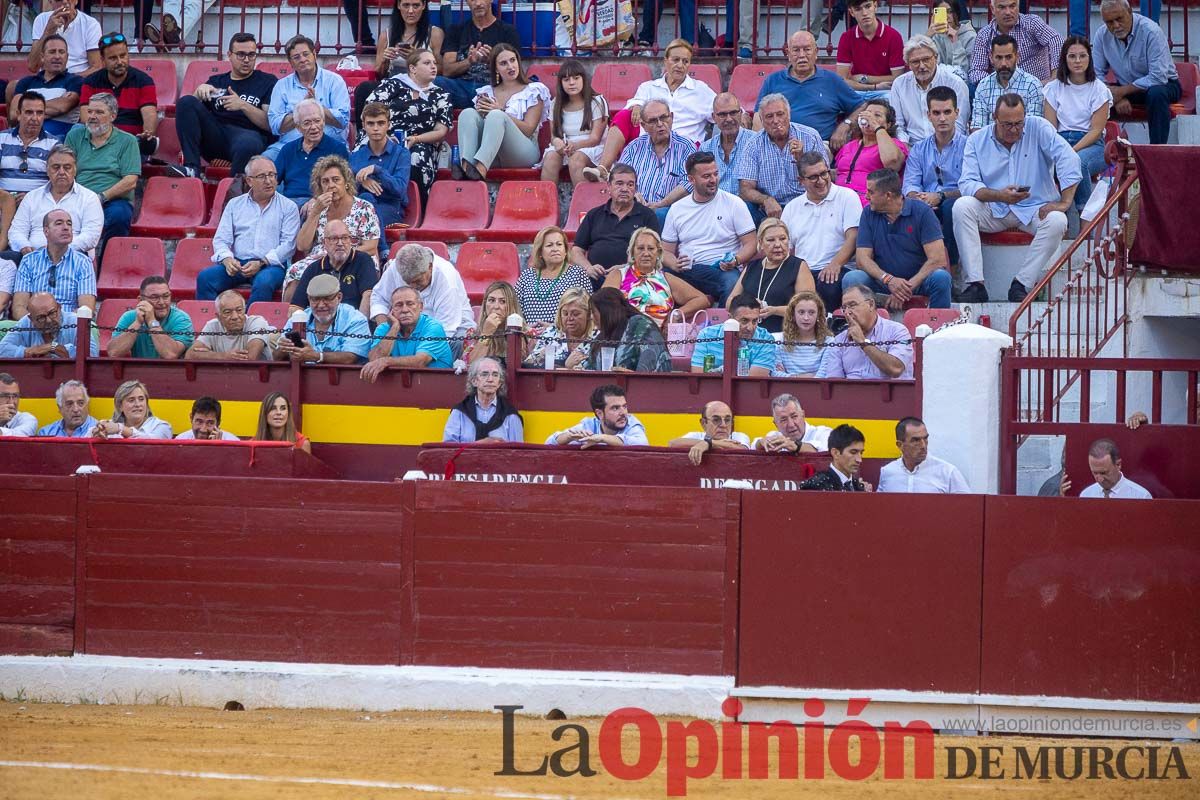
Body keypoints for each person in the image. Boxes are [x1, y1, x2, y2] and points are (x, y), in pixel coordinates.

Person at [955, 94, 1082, 303]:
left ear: (1025, 117)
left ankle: (1022, 283)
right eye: (1007, 124)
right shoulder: (976, 140)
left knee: (1058, 220)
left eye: (1018, 123)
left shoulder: (1038, 127)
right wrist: (999, 195)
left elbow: (1069, 159)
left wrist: (1065, 202)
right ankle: (975, 283)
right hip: (994, 208)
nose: (1014, 130)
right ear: (994, 117)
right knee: (961, 206)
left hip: (1035, 209)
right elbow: (967, 183)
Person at [584, 40, 715, 182]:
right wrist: (637, 106)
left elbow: (723, 109)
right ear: (665, 61)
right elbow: (635, 102)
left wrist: (743, 116)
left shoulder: (701, 90)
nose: (680, 65)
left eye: (685, 61)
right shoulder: (649, 87)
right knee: (623, 115)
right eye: (675, 60)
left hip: (684, 146)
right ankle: (603, 168)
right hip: (650, 140)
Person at [195, 155, 301, 305]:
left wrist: (262, 262)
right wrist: (227, 259)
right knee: (205, 278)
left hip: (270, 265)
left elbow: (288, 245)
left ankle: (250, 325)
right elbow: (221, 239)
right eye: (262, 176)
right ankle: (215, 325)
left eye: (272, 175)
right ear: (249, 180)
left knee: (264, 282)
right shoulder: (234, 204)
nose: (269, 180)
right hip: (238, 263)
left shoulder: (288, 207)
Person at [170, 33, 277, 179]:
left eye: (251, 55)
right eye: (241, 54)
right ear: (229, 55)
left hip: (248, 135)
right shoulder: (216, 81)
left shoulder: (267, 81)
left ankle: (234, 190)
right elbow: (190, 117)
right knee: (185, 102)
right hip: (216, 135)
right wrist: (197, 93)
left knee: (249, 143)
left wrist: (243, 105)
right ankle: (192, 168)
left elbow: (270, 124)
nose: (246, 60)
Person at [844, 168, 952, 309]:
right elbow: (862, 260)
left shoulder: (922, 212)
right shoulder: (868, 213)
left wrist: (905, 289)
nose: (866, 197)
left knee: (941, 278)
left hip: (918, 282)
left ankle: (939, 327)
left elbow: (938, 259)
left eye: (871, 192)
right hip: (881, 282)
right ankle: (859, 328)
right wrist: (889, 280)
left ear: (888, 195)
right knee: (852, 278)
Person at [282, 154, 380, 303]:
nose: (331, 185)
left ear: (346, 183)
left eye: (336, 180)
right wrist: (315, 213)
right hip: (321, 259)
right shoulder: (317, 208)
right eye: (325, 181)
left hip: (356, 257)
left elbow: (371, 247)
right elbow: (302, 245)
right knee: (295, 271)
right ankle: (292, 320)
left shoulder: (364, 208)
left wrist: (338, 254)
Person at [663, 151, 757, 305]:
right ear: (691, 179)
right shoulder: (677, 209)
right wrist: (674, 263)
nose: (713, 180)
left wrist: (736, 260)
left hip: (721, 268)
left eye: (715, 174)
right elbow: (665, 251)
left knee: (732, 281)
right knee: (659, 278)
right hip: (687, 269)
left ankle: (725, 325)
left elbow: (751, 243)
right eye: (706, 176)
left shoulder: (734, 203)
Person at [362, 48, 451, 202]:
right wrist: (386, 136)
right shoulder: (395, 84)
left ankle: (414, 207)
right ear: (412, 68)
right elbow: (370, 109)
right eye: (427, 63)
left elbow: (441, 130)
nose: (433, 67)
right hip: (383, 136)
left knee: (416, 156)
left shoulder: (441, 94)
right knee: (368, 149)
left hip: (421, 142)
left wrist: (416, 139)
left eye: (434, 63)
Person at [782, 152, 862, 313]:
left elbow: (853, 237)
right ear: (801, 181)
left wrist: (835, 264)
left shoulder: (847, 197)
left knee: (828, 285)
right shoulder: (792, 207)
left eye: (824, 174)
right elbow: (786, 247)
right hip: (804, 269)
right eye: (813, 177)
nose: (821, 181)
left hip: (838, 267)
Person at [1093, 0, 1180, 146]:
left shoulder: (1151, 31)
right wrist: (1116, 97)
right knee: (1095, 96)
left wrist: (1122, 91)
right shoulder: (1102, 35)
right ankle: (1103, 151)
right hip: (1125, 88)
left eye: (1119, 19)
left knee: (1156, 94)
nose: (1115, 26)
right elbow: (1096, 75)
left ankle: (1156, 152)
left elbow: (1158, 77)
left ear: (1130, 12)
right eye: (1109, 22)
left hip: (1164, 84)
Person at [1043, 37, 1113, 218]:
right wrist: (1063, 151)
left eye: (1082, 56)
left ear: (1089, 58)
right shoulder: (1053, 88)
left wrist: (1071, 152)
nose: (1078, 61)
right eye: (1072, 56)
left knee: (1077, 162)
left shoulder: (1099, 89)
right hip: (1061, 140)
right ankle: (1058, 220)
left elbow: (1096, 130)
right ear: (1064, 59)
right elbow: (1050, 128)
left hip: (1091, 145)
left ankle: (1086, 217)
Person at [456, 44, 549, 180]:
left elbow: (529, 130)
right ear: (496, 68)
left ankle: (480, 171)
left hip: (523, 152)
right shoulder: (486, 92)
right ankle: (466, 168)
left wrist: (501, 111)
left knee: (497, 115)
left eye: (513, 60)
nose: (510, 66)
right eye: (503, 63)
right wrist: (482, 113)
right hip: (492, 154)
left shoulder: (534, 90)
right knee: (467, 113)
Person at [903, 86, 968, 273]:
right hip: (926, 203)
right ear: (928, 115)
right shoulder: (919, 149)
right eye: (936, 113)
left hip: (955, 202)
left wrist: (940, 196)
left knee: (952, 208)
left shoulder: (969, 146)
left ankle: (952, 270)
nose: (942, 118)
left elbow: (971, 186)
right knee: (909, 208)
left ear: (956, 113)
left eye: (947, 112)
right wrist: (919, 197)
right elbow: (910, 184)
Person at [736, 93, 829, 223]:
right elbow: (745, 189)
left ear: (789, 115)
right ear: (761, 121)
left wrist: (802, 159)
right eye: (769, 116)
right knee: (744, 208)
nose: (775, 120)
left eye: (780, 114)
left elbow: (825, 180)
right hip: (770, 210)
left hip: (807, 203)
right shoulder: (753, 144)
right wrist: (766, 200)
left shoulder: (810, 136)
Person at [758, 31, 863, 143]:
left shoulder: (832, 80)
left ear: (816, 52)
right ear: (788, 54)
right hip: (781, 145)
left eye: (807, 49)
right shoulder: (773, 80)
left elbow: (861, 106)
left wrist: (845, 125)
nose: (802, 55)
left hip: (818, 146)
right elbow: (758, 115)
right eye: (796, 50)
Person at [571, 164, 663, 289]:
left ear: (635, 189)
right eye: (619, 184)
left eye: (630, 185)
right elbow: (576, 251)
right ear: (609, 186)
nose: (625, 189)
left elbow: (655, 253)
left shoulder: (647, 215)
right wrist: (589, 268)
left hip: (632, 278)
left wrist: (626, 267)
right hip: (594, 277)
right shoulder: (594, 214)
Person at [64, 93, 139, 245]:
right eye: (90, 111)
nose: (92, 116)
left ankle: (108, 262)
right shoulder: (75, 135)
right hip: (78, 197)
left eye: (99, 112)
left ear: (112, 116)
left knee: (120, 215)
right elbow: (65, 168)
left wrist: (101, 197)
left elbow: (130, 181)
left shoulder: (127, 140)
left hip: (112, 200)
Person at [7, 144, 103, 263]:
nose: (61, 172)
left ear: (75, 170)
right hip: (32, 259)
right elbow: (16, 231)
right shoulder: (32, 197)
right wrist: (24, 247)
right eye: (56, 167)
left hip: (72, 259)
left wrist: (56, 250)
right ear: (47, 170)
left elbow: (91, 236)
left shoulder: (89, 198)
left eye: (67, 167)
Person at [608, 99, 697, 224]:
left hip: (671, 213)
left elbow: (690, 182)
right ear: (643, 126)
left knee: (659, 215)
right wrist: (634, 194)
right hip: (634, 208)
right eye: (653, 121)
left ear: (671, 117)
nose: (660, 124)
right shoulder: (634, 147)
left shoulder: (686, 147)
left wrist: (662, 204)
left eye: (664, 118)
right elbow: (619, 177)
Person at [264, 36, 350, 161]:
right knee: (264, 162)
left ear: (314, 55)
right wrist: (301, 109)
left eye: (306, 54)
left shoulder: (334, 81)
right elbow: (276, 126)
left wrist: (316, 107)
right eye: (296, 57)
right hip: (289, 147)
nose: (303, 59)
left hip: (328, 146)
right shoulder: (281, 86)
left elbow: (343, 120)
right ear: (290, 62)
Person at [601, 226, 707, 327]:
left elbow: (701, 299)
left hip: (657, 340)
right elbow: (604, 303)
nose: (646, 253)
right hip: (625, 336)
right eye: (640, 248)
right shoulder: (618, 275)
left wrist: (676, 315)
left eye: (651, 248)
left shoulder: (666, 278)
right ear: (632, 252)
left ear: (658, 253)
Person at [726, 219, 814, 334]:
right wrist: (748, 305)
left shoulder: (798, 266)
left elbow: (808, 308)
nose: (778, 245)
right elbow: (730, 302)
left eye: (783, 239)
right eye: (771, 240)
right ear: (761, 243)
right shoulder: (752, 266)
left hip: (784, 334)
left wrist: (774, 310)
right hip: (751, 333)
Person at [78, 33, 157, 157]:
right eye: (113, 58)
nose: (120, 62)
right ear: (103, 61)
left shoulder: (144, 81)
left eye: (123, 56)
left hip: (130, 144)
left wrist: (147, 134)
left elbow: (150, 115)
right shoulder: (91, 82)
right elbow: (85, 117)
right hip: (99, 141)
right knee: (76, 131)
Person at [373, 243, 473, 341]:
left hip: (452, 332)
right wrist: (385, 331)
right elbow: (379, 299)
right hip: (403, 330)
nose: (413, 286)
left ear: (430, 267)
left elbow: (446, 330)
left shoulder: (446, 277)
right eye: (407, 282)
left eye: (417, 281)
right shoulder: (395, 267)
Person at [435, 0, 522, 110]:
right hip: (461, 88)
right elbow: (447, 71)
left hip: (493, 89)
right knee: (435, 82)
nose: (478, 3)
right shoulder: (456, 30)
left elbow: (515, 70)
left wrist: (491, 60)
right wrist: (470, 61)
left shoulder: (507, 31)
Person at [11, 210, 96, 320]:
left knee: (91, 329)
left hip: (70, 325)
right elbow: (19, 307)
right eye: (59, 223)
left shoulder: (83, 262)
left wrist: (57, 323)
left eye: (69, 223)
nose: (66, 227)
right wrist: (38, 324)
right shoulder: (29, 261)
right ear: (46, 231)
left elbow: (86, 308)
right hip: (34, 324)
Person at [817, 284, 914, 379]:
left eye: (852, 305)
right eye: (844, 308)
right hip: (851, 393)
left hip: (888, 393)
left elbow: (895, 369)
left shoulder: (897, 331)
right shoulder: (840, 340)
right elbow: (834, 384)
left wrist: (863, 342)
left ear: (871, 305)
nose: (847, 312)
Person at [363, 0, 445, 112]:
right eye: (406, 5)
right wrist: (385, 60)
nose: (411, 11)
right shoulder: (386, 35)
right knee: (365, 88)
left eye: (416, 6)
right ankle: (364, 128)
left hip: (421, 86)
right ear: (398, 6)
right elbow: (379, 73)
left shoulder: (434, 33)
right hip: (393, 84)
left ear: (423, 6)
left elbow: (442, 70)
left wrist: (416, 58)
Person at [0, 94, 60, 248]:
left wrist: (31, 197)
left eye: (39, 113)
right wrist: (6, 198)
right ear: (18, 115)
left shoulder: (54, 144)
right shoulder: (2, 139)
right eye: (29, 112)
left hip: (37, 206)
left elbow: (57, 183)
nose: (35, 118)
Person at [274, 273, 372, 365]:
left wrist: (316, 356)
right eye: (315, 299)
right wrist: (284, 349)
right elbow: (276, 358)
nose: (321, 305)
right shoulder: (297, 319)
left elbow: (350, 357)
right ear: (308, 299)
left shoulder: (355, 319)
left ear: (339, 297)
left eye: (327, 298)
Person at [360, 286, 454, 381]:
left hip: (435, 385)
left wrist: (386, 361)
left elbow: (420, 361)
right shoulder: (384, 328)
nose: (405, 310)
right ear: (392, 309)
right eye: (399, 305)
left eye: (410, 304)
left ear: (421, 306)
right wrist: (394, 328)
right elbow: (375, 359)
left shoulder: (433, 326)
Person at [290, 220, 379, 317]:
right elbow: (296, 307)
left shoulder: (363, 261)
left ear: (350, 241)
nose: (340, 243)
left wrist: (360, 325)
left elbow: (368, 296)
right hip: (321, 326)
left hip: (353, 325)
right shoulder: (314, 269)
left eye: (345, 238)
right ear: (325, 243)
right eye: (334, 238)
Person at [891, 36, 970, 144]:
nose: (922, 66)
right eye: (915, 62)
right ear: (908, 64)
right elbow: (898, 125)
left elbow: (959, 125)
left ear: (936, 58)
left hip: (949, 146)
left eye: (926, 59)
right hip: (912, 147)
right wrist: (905, 146)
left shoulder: (955, 83)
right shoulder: (899, 84)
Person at [541, 59, 609, 184]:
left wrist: (575, 146)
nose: (571, 83)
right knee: (550, 158)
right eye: (566, 80)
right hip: (566, 146)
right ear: (561, 83)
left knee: (576, 160)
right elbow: (554, 135)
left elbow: (595, 138)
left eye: (576, 78)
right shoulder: (556, 103)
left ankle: (584, 203)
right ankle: (545, 202)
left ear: (583, 79)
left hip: (591, 147)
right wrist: (558, 143)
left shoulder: (597, 102)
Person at [273, 100, 352, 207]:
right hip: (290, 204)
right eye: (307, 123)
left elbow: (345, 185)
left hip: (323, 202)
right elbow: (273, 180)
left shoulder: (337, 149)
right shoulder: (288, 149)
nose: (314, 127)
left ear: (323, 122)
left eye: (317, 121)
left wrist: (316, 200)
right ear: (298, 127)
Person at [969, 0, 1064, 84]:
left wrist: (1055, 74)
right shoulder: (984, 35)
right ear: (992, 9)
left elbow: (1056, 40)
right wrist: (1000, 83)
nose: (1008, 12)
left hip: (1039, 87)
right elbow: (976, 72)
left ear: (1018, 6)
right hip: (1001, 93)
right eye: (1002, 7)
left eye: (1012, 6)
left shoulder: (1032, 23)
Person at [835, 99, 909, 207]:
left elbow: (892, 163)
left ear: (888, 124)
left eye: (877, 115)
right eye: (868, 114)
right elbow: (839, 172)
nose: (870, 118)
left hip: (869, 203)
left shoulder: (895, 144)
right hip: (839, 201)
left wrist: (877, 127)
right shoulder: (849, 146)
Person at [350, 102, 411, 228]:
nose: (376, 128)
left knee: (367, 211)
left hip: (391, 208)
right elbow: (347, 191)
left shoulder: (401, 154)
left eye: (381, 123)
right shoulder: (355, 156)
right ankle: (382, 248)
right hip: (361, 207)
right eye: (371, 123)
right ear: (364, 126)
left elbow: (400, 190)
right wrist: (361, 183)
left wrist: (377, 170)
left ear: (388, 125)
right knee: (365, 198)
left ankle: (378, 247)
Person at [515, 226, 592, 325]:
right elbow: (515, 308)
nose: (555, 249)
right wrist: (526, 329)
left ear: (565, 251)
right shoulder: (527, 275)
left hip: (563, 336)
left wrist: (554, 328)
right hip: (530, 336)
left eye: (559, 244)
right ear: (540, 252)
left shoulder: (578, 274)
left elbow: (588, 312)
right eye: (549, 245)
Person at [971, 35, 1046, 131]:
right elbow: (977, 127)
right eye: (998, 57)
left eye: (1008, 57)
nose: (1004, 64)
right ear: (991, 57)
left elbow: (1032, 129)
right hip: (989, 144)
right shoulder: (983, 86)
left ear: (1017, 56)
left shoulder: (1032, 85)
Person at [586, 287, 671, 373]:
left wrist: (630, 377)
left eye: (593, 312)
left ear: (606, 311)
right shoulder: (601, 337)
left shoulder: (640, 326)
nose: (591, 317)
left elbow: (650, 370)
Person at [10, 37, 81, 141]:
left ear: (67, 56)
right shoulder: (26, 82)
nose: (57, 56)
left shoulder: (75, 81)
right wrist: (55, 104)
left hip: (58, 140)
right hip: (23, 137)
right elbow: (14, 114)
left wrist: (27, 110)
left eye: (61, 52)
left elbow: (63, 107)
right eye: (52, 52)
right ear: (42, 57)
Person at [108, 276, 194, 359]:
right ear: (141, 300)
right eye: (154, 297)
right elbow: (113, 353)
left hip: (172, 372)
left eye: (166, 296)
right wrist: (137, 323)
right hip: (139, 371)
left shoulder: (181, 318)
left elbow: (170, 354)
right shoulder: (129, 317)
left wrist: (152, 321)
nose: (161, 302)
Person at [879, 416, 971, 493]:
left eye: (925, 438)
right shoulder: (887, 472)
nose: (923, 445)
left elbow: (967, 507)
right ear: (900, 445)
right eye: (915, 440)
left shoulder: (948, 472)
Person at [690, 292, 775, 376]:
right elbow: (699, 376)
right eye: (744, 321)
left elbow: (754, 382)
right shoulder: (706, 334)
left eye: (755, 321)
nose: (750, 328)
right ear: (730, 318)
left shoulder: (766, 339)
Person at [442, 356, 524, 443]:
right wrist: (480, 444)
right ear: (474, 381)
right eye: (484, 374)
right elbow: (448, 451)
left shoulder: (510, 415)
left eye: (495, 375)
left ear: (499, 383)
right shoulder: (459, 412)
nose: (490, 379)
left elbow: (517, 452)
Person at [545, 383, 649, 447]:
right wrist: (569, 437)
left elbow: (642, 444)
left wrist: (601, 438)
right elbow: (549, 443)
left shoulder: (632, 424)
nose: (623, 413)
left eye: (624, 406)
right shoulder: (589, 425)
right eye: (615, 408)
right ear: (599, 413)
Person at [836, 0, 906, 93]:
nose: (864, 13)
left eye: (868, 6)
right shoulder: (846, 37)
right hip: (858, 91)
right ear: (851, 12)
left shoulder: (893, 36)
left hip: (885, 91)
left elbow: (897, 78)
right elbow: (841, 80)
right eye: (858, 9)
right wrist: (874, 87)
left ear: (875, 6)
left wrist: (864, 78)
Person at [0, 292, 97, 358]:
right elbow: (2, 349)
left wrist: (54, 347)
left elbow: (92, 354)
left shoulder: (75, 321)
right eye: (41, 317)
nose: (49, 320)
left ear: (59, 307)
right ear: (31, 319)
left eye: (52, 313)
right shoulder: (25, 322)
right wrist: (27, 352)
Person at [185, 290, 271, 361]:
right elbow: (190, 355)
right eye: (227, 312)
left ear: (245, 310)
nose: (235, 317)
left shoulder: (256, 322)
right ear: (218, 316)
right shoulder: (212, 325)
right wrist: (224, 356)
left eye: (239, 310)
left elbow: (250, 358)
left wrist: (208, 355)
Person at [523, 288, 596, 370]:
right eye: (565, 313)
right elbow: (527, 364)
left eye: (575, 314)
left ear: (589, 314)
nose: (569, 318)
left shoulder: (598, 337)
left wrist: (568, 367)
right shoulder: (551, 332)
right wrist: (539, 356)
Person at [461, 280, 532, 365]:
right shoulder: (472, 333)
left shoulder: (528, 334)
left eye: (502, 301)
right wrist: (486, 334)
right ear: (484, 305)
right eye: (491, 300)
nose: (496, 307)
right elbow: (470, 367)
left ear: (512, 306)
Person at [27, 0, 101, 77]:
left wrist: (68, 80)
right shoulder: (41, 19)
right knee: (14, 85)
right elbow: (33, 66)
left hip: (78, 80)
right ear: (51, 1)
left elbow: (96, 67)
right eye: (59, 0)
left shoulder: (90, 24)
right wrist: (48, 31)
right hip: (47, 79)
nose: (65, 2)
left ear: (76, 1)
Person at [700, 92, 753, 196]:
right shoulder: (705, 148)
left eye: (733, 113)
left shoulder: (755, 142)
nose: (729, 119)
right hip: (714, 206)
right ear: (714, 117)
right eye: (722, 115)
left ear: (741, 113)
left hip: (746, 206)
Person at [669, 400, 751, 466]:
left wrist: (708, 444)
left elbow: (743, 450)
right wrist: (710, 443)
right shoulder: (697, 436)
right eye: (716, 420)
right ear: (703, 423)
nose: (723, 425)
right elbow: (673, 443)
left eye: (727, 420)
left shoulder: (738, 436)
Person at [772, 291, 832, 377]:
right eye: (801, 312)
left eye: (811, 312)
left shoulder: (829, 342)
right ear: (793, 314)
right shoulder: (779, 341)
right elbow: (775, 374)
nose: (806, 318)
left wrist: (789, 376)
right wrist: (805, 376)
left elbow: (822, 376)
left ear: (818, 315)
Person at [799, 424, 874, 491]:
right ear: (835, 453)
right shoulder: (816, 485)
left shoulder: (859, 488)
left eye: (861, 453)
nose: (859, 460)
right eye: (853, 452)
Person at [90, 379, 172, 439]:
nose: (137, 404)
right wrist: (96, 433)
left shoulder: (162, 426)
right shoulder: (110, 426)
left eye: (141, 399)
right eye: (131, 400)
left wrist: (121, 429)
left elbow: (152, 442)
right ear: (120, 406)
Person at [753, 393, 833, 453]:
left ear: (803, 415)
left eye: (794, 416)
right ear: (776, 424)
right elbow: (754, 446)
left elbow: (822, 449)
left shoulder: (823, 433)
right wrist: (760, 443)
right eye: (784, 420)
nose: (791, 424)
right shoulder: (774, 436)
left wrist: (795, 446)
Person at [1076, 438, 1152, 498]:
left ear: (1118, 465)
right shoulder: (1086, 495)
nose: (1100, 479)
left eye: (1104, 473)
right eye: (1095, 473)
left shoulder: (1141, 496)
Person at [927, 1, 976, 81]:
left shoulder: (970, 36)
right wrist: (927, 36)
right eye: (942, 12)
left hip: (962, 83)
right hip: (938, 82)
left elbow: (962, 73)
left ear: (957, 13)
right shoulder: (935, 36)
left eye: (950, 12)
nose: (946, 17)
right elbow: (928, 67)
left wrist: (956, 43)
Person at [176, 396, 240, 441]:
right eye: (199, 422)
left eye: (210, 423)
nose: (203, 430)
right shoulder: (180, 441)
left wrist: (219, 449)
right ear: (191, 418)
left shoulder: (233, 443)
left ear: (218, 423)